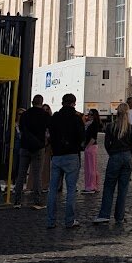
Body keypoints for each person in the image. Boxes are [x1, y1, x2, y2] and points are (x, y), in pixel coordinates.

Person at [93, 102, 132, 229]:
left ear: (116, 113)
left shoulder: (111, 127)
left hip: (115, 157)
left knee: (109, 187)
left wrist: (112, 153)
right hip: (127, 157)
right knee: (123, 189)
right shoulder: (131, 128)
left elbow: (107, 144)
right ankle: (119, 216)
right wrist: (129, 153)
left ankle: (105, 214)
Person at [46, 93, 84, 230]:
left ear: (62, 102)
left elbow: (50, 134)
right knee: (71, 190)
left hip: (56, 156)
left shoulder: (55, 118)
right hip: (72, 155)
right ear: (74, 103)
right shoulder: (76, 118)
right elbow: (81, 137)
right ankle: (69, 220)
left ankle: (50, 221)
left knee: (53, 190)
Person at [12, 95, 50, 209]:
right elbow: (48, 130)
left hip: (25, 146)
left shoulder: (25, 114)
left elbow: (22, 129)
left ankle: (17, 201)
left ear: (32, 102)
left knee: (21, 174)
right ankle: (37, 201)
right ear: (41, 102)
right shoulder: (44, 115)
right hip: (38, 147)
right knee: (37, 174)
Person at [82, 109, 101, 193]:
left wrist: (87, 146)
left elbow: (93, 137)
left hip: (91, 146)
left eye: (91, 114)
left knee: (90, 168)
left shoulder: (93, 124)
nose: (89, 116)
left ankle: (91, 186)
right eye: (88, 114)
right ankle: (94, 185)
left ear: (94, 116)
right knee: (92, 167)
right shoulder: (88, 124)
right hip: (90, 146)